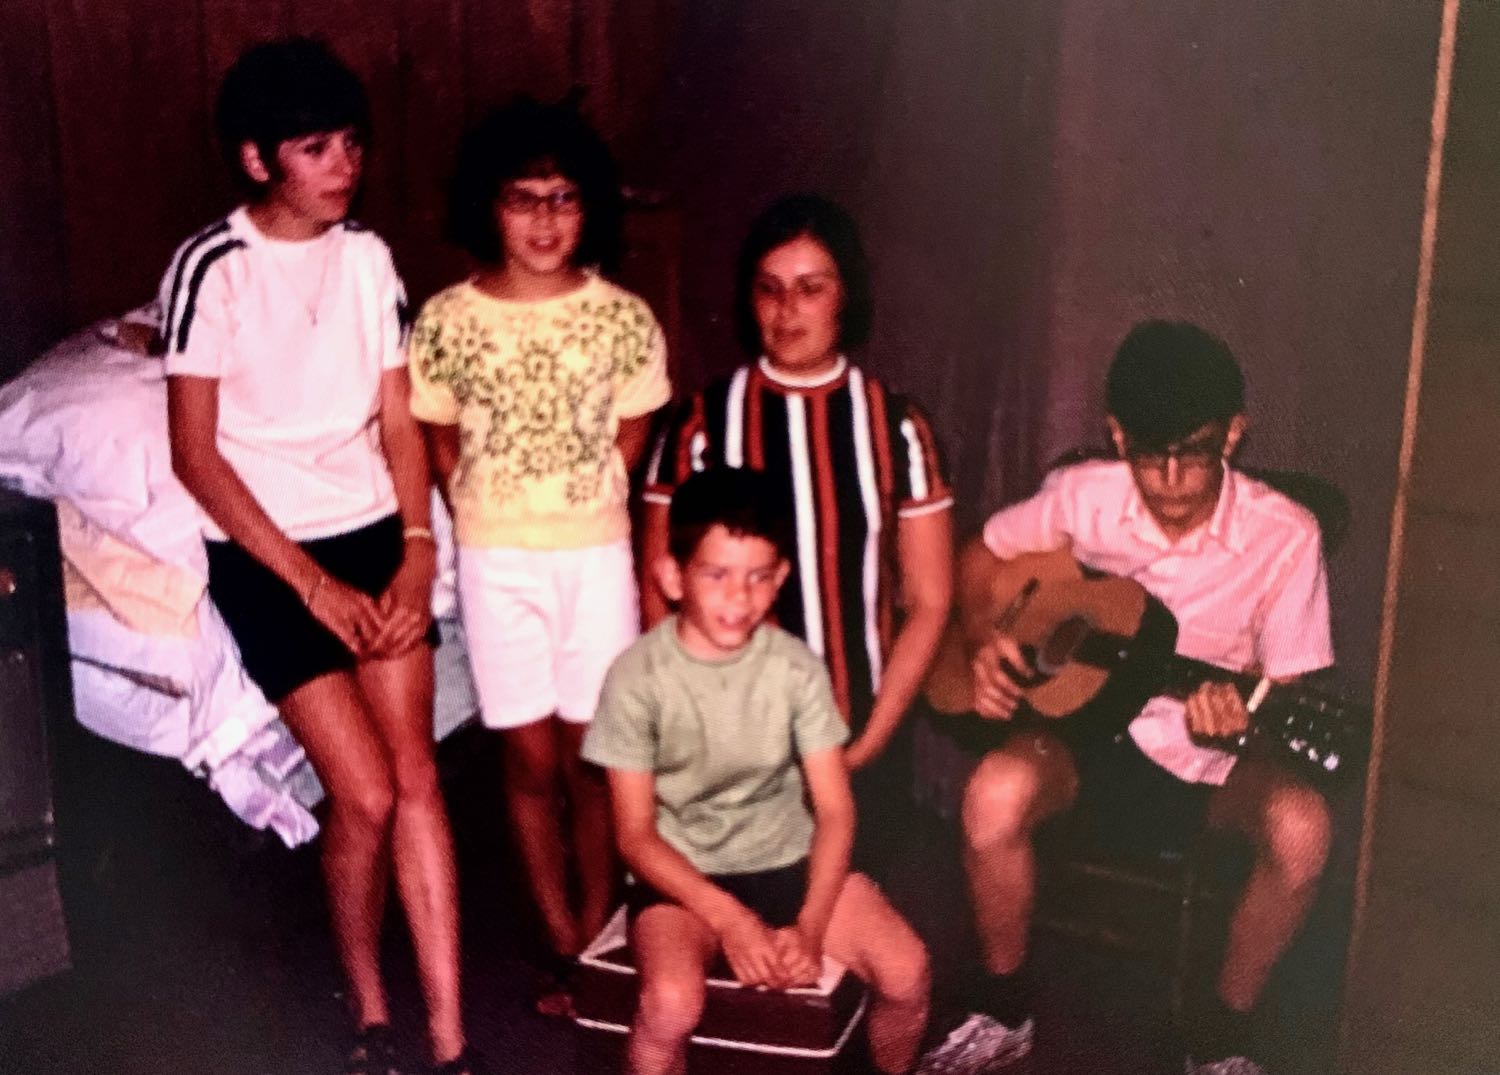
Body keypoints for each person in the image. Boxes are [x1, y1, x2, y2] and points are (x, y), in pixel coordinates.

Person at [161, 39, 474, 1075]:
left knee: (417, 776)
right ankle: (370, 1010)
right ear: (258, 159)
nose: (344, 165)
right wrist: (314, 587)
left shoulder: (369, 259)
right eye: (314, 148)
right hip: (267, 554)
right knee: (366, 792)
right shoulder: (212, 268)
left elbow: (399, 420)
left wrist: (419, 549)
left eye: (352, 142)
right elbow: (195, 457)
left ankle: (451, 1038)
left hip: (374, 531)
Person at [933, 321, 1334, 1075]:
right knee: (991, 795)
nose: (1172, 479)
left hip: (1205, 763)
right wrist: (984, 636)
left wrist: (1241, 726)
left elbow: (1289, 692)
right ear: (1118, 436)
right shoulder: (1082, 495)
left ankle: (1221, 1038)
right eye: (1151, 455)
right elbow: (981, 553)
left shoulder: (1287, 536)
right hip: (1078, 739)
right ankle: (1005, 1008)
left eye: (1196, 451)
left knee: (1303, 827)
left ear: (1234, 433)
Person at [407, 98, 670, 1015]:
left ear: (589, 206)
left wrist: (595, 488)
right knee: (527, 761)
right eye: (524, 199)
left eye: (564, 198)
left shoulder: (623, 317)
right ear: (491, 206)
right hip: (496, 560)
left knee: (594, 758)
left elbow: (636, 422)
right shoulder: (447, 319)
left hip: (593, 555)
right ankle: (557, 937)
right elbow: (438, 435)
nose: (547, 220)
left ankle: (603, 933)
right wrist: (478, 509)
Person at [583, 467, 932, 1075]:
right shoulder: (636, 679)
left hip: (787, 861)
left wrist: (810, 926)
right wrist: (733, 920)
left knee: (908, 971)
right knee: (670, 1005)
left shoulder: (797, 670)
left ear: (781, 578)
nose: (738, 598)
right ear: (672, 577)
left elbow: (835, 811)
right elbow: (635, 836)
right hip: (683, 880)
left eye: (758, 577)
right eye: (716, 575)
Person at [640, 194, 953, 871]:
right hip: (727, 750)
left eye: (811, 289)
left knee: (853, 921)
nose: (787, 311)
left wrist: (869, 743)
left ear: (847, 297)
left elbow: (930, 600)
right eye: (770, 289)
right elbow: (658, 591)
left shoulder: (896, 426)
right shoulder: (698, 425)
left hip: (860, 733)